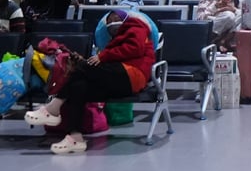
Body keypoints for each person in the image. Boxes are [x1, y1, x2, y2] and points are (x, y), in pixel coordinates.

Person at [24, 9, 156, 155]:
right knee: (77, 87)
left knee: (81, 68)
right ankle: (75, 137)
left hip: (133, 75)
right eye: (109, 20)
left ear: (125, 18)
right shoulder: (114, 40)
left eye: (115, 18)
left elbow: (134, 49)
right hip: (118, 77)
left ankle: (52, 109)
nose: (112, 22)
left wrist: (102, 57)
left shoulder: (136, 26)